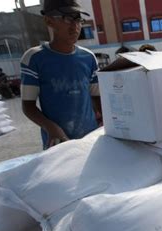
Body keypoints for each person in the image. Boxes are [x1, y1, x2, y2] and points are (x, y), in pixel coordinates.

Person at [20, 0, 102, 150]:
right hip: (57, 143)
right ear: (48, 21)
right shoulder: (34, 58)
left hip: (89, 139)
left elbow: (96, 96)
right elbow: (28, 106)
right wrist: (51, 128)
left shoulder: (88, 58)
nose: (75, 26)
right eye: (67, 18)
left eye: (78, 19)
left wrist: (105, 122)